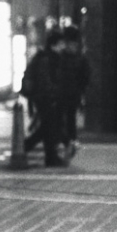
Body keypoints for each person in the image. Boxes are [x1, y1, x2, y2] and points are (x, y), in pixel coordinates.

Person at [21, 28, 68, 166]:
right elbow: (45, 81)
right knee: (48, 128)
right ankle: (26, 147)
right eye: (61, 44)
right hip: (45, 99)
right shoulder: (47, 59)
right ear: (54, 44)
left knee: (48, 128)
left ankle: (50, 156)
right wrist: (53, 95)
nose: (63, 46)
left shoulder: (50, 57)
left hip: (46, 98)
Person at [59, 25, 91, 160]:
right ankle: (70, 141)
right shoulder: (80, 58)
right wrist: (81, 89)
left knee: (64, 118)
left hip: (64, 92)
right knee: (70, 118)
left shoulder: (61, 57)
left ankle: (68, 142)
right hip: (73, 92)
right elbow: (86, 76)